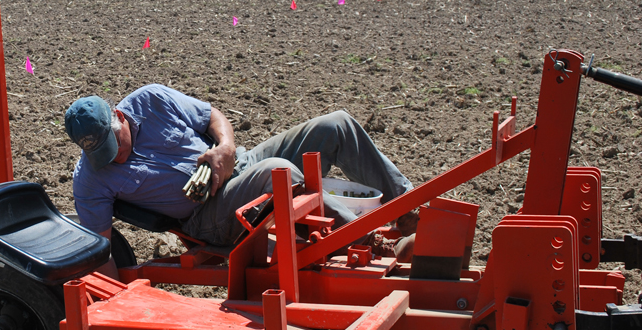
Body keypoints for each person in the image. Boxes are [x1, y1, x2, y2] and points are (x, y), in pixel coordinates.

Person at [65, 85, 417, 253]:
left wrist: (225, 148)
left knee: (335, 125)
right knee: (276, 172)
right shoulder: (90, 181)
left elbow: (212, 116)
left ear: (120, 118)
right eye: (104, 157)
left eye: (117, 147)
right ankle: (367, 244)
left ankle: (409, 211)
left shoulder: (151, 100)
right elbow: (102, 246)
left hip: (241, 163)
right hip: (209, 215)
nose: (116, 159)